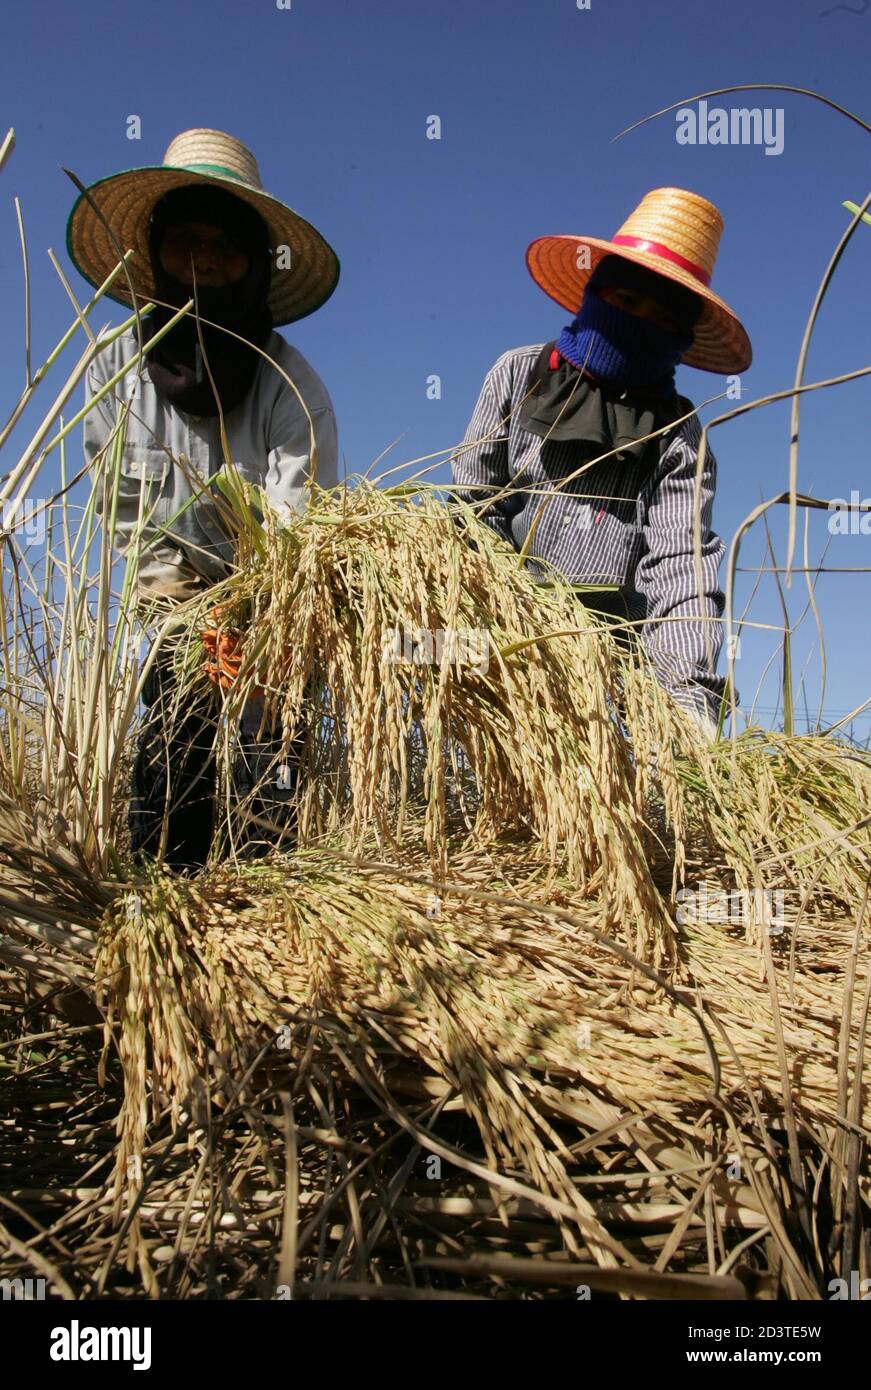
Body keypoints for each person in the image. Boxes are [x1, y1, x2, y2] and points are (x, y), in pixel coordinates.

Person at [73, 128, 340, 869]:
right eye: (185, 239)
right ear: (156, 252)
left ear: (255, 265)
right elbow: (126, 521)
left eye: (226, 245)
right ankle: (165, 883)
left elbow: (299, 520)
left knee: (267, 755)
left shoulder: (291, 385)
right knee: (175, 734)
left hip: (266, 614)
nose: (205, 259)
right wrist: (187, 620)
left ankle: (267, 889)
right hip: (170, 611)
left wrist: (253, 615)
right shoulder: (114, 372)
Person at [452, 187, 752, 737]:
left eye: (662, 317)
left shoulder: (678, 434)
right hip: (505, 638)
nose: (639, 323)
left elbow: (679, 565)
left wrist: (687, 701)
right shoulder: (520, 376)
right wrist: (503, 624)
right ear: (596, 294)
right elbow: (476, 509)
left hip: (614, 670)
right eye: (628, 303)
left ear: (680, 338)